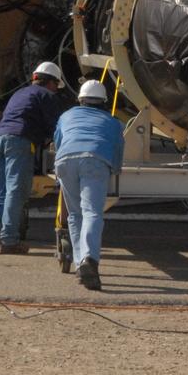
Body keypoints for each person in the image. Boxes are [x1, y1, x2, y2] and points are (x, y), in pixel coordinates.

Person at [0, 61, 67, 255]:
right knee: (16, 193)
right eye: (56, 86)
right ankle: (7, 239)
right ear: (51, 82)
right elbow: (56, 128)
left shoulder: (19, 94)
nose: (56, 90)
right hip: (19, 143)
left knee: (5, 194)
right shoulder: (47, 95)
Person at [53, 80, 125, 290]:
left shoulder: (66, 116)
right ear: (103, 101)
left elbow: (58, 141)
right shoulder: (112, 121)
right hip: (95, 160)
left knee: (74, 215)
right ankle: (90, 260)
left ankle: (81, 266)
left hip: (64, 161)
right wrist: (115, 170)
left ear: (80, 99)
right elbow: (118, 147)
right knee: (92, 212)